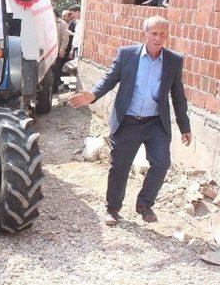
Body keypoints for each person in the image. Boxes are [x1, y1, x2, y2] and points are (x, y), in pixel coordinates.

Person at [68, 16, 191, 226]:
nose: (158, 38)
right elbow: (109, 79)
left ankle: (144, 205)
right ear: (145, 34)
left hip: (155, 123)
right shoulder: (127, 55)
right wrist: (93, 95)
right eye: (154, 33)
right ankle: (113, 209)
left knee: (161, 163)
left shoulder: (173, 60)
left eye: (162, 34)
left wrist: (184, 127)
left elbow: (178, 95)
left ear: (167, 36)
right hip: (128, 121)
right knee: (120, 166)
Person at [53, 11, 71, 93]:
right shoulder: (46, 21)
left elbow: (65, 38)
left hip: (57, 51)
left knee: (56, 70)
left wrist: (62, 49)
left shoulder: (62, 23)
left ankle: (54, 89)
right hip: (47, 51)